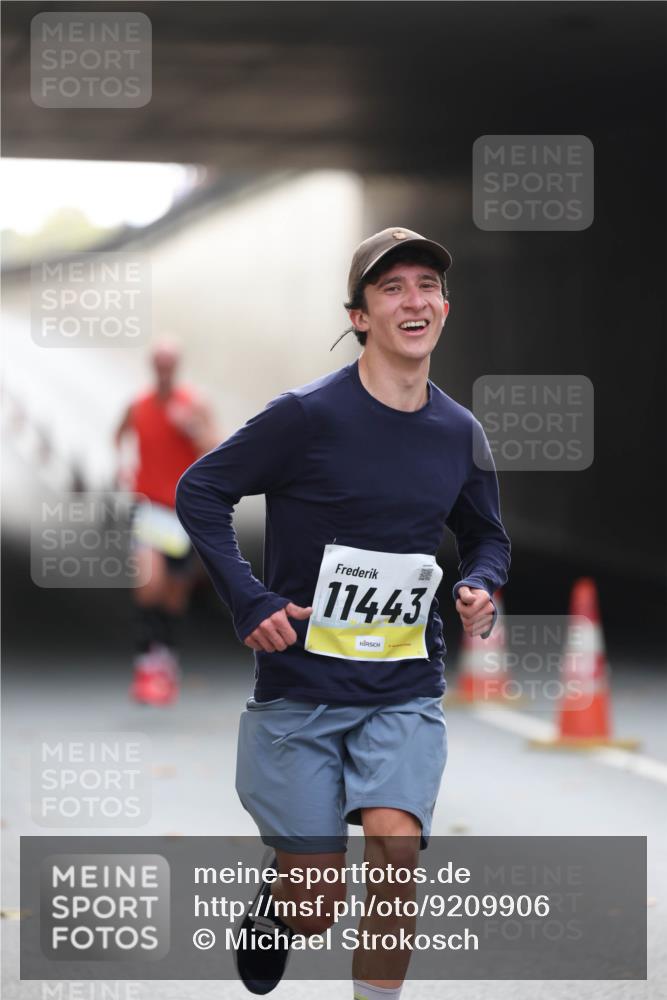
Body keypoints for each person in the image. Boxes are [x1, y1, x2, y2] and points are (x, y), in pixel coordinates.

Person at [175, 227, 511, 994]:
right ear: (359, 316)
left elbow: (485, 535)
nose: (413, 300)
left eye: (425, 284)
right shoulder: (305, 417)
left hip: (402, 685)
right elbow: (201, 490)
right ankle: (282, 901)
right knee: (317, 903)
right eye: (391, 288)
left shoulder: (459, 433)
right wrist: (248, 598)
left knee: (396, 852)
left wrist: (480, 585)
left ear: (444, 307)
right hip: (300, 691)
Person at [115, 337, 219, 706]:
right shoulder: (138, 406)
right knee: (149, 584)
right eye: (157, 362)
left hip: (182, 513)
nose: (163, 369)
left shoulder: (194, 405)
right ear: (152, 365)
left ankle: (166, 663)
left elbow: (218, 448)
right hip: (149, 509)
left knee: (174, 594)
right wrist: (123, 470)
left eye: (168, 362)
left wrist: (193, 429)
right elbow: (118, 437)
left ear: (176, 366)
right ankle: (146, 665)